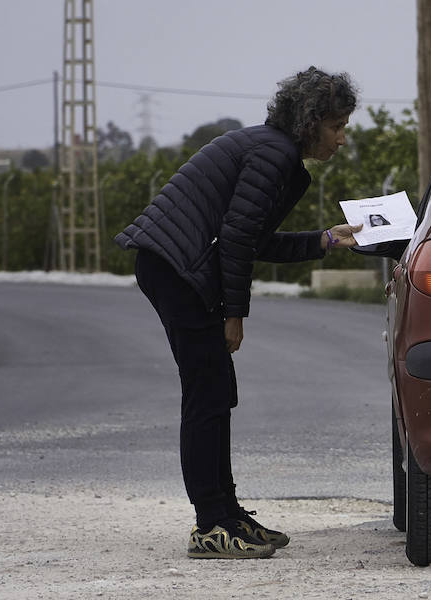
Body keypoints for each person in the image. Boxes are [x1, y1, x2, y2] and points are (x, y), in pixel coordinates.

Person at [114, 67, 361, 559]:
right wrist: (234, 313)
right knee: (206, 394)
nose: (342, 138)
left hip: (177, 267)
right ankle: (210, 525)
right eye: (337, 126)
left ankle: (228, 515)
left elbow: (253, 236)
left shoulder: (273, 151)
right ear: (311, 123)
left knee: (217, 392)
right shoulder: (274, 154)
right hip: (177, 269)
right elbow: (236, 239)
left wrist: (326, 240)